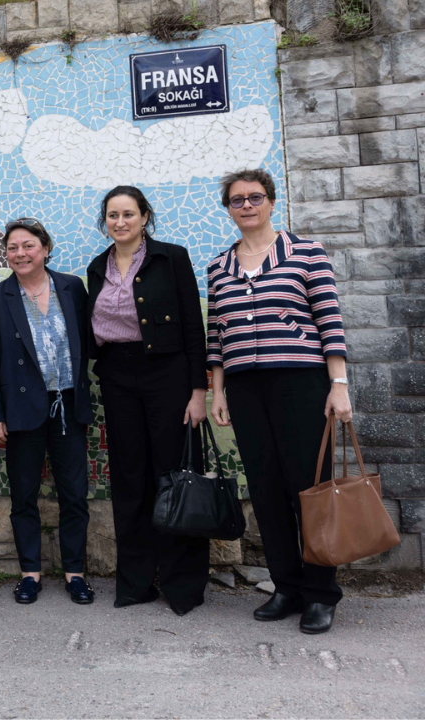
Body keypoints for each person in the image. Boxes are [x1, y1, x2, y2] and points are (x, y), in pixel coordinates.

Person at [208, 169, 351, 635]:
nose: (246, 206)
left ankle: (320, 592)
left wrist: (339, 384)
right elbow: (216, 337)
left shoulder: (305, 253)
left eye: (254, 197)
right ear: (228, 209)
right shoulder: (218, 266)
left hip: (301, 383)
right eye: (236, 200)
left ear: (271, 201)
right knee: (266, 491)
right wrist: (217, 391)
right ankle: (286, 586)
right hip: (246, 389)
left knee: (308, 489)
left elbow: (329, 319)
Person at [86, 185, 209, 616]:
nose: (120, 222)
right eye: (112, 216)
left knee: (174, 477)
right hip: (118, 377)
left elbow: (194, 327)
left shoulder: (170, 258)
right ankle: (136, 582)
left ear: (144, 217)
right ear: (105, 221)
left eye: (128, 214)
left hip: (168, 376)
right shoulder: (96, 266)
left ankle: (183, 585)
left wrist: (199, 391)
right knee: (129, 479)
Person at [0, 218, 94, 606]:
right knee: (23, 496)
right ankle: (30, 574)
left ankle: (76, 573)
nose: (20, 254)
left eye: (28, 246)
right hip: (21, 411)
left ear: (45, 248)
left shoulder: (72, 288)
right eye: (13, 248)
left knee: (74, 495)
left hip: (68, 407)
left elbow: (88, 344)